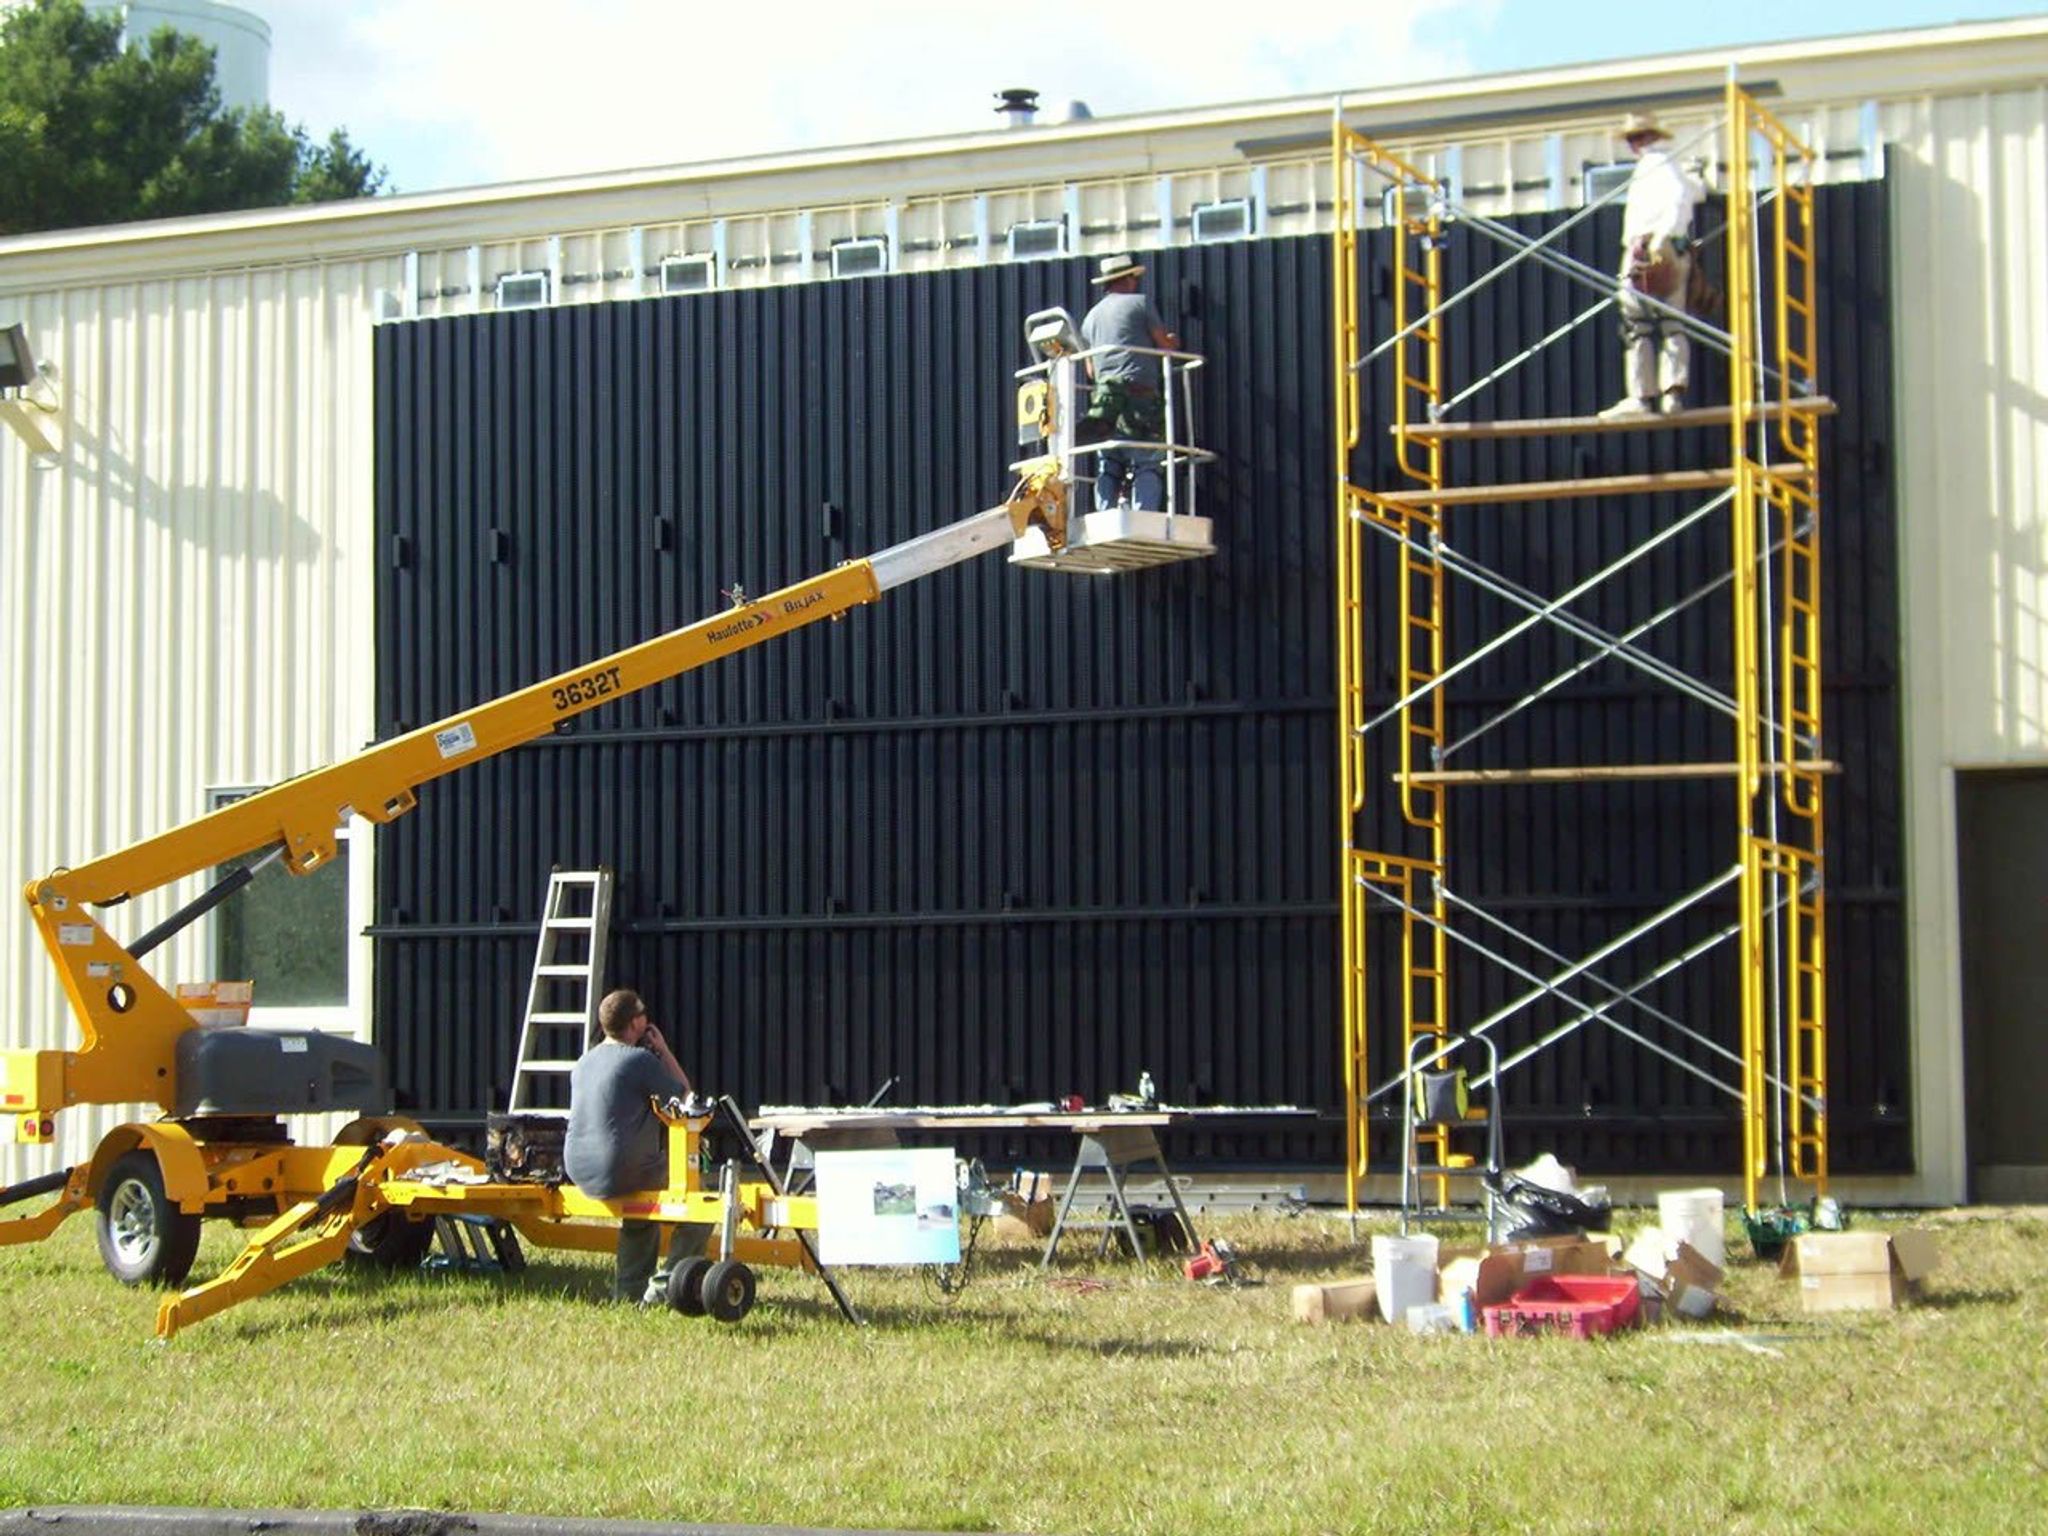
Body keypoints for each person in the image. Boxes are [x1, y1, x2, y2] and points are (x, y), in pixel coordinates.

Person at [564, 986, 710, 1303]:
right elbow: (685, 1096)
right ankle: (665, 1287)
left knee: (640, 1207)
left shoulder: (584, 1062)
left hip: (577, 1168)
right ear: (633, 1025)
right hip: (618, 1169)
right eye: (643, 1015)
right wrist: (664, 1050)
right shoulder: (640, 1060)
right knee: (702, 1205)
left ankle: (628, 1292)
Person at [1598, 112, 1709, 419]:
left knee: (1638, 322)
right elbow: (1690, 193)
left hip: (1649, 247)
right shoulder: (1672, 167)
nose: (1634, 145)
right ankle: (1671, 393)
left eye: (1637, 138)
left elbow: (1676, 200)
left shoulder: (1654, 165)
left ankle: (1643, 395)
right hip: (1669, 246)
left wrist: (1659, 239)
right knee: (1671, 320)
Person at [1079, 253, 1180, 511]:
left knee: (1109, 463)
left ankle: (1104, 512)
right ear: (1126, 279)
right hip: (1139, 393)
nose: (1136, 282)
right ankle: (1144, 513)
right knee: (1146, 459)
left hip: (1105, 400)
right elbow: (1164, 345)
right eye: (1133, 277)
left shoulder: (1090, 319)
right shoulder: (1140, 303)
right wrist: (1172, 340)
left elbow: (1091, 371)